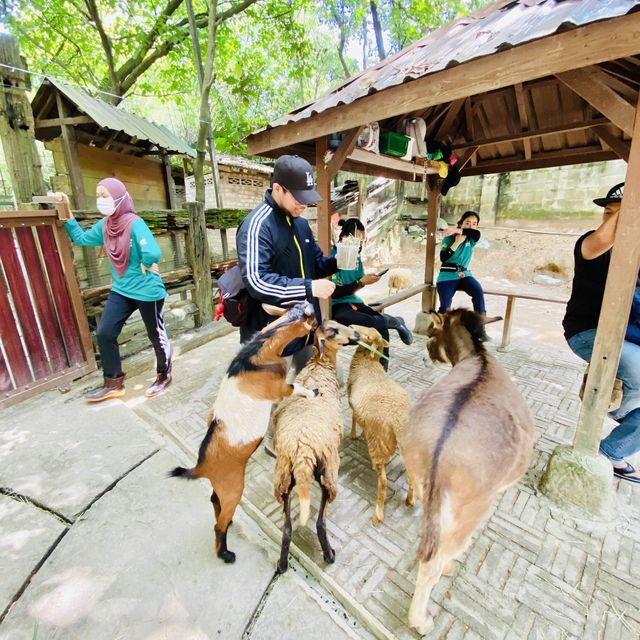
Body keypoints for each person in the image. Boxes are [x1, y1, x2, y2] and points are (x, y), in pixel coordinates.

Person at [236, 155, 338, 456]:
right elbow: (257, 281)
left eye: (308, 199)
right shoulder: (257, 225)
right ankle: (269, 438)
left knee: (303, 378)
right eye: (299, 198)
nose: (304, 205)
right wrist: (309, 288)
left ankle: (294, 426)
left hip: (303, 326)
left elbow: (318, 265)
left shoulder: (301, 225)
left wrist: (339, 259)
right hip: (270, 331)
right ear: (278, 189)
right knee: (268, 389)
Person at [57, 178, 171, 402]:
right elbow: (81, 238)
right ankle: (113, 382)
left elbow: (152, 252)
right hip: (122, 289)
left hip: (147, 289)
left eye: (105, 195)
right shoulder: (105, 226)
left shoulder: (135, 223)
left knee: (156, 334)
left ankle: (164, 375)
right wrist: (67, 211)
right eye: (98, 195)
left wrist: (146, 262)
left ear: (119, 197)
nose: (101, 200)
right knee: (105, 332)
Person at [563, 182, 640, 484]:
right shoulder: (590, 245)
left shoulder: (635, 256)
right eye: (608, 213)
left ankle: (614, 449)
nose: (610, 219)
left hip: (625, 337)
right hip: (586, 332)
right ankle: (614, 409)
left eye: (618, 214)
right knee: (636, 368)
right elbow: (605, 238)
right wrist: (628, 210)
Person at [330, 218, 412, 369]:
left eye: (361, 240)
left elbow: (353, 287)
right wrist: (361, 282)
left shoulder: (357, 259)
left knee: (380, 326)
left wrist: (367, 280)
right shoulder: (331, 257)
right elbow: (335, 293)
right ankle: (396, 322)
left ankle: (382, 369)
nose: (359, 244)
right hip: (336, 305)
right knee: (348, 317)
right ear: (343, 238)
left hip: (353, 301)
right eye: (356, 239)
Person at [436, 210, 486, 314]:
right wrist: (457, 242)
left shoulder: (471, 240)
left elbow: (476, 233)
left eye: (474, 224)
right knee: (445, 307)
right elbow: (443, 258)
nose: (471, 226)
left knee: (478, 291)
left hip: (464, 275)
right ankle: (441, 326)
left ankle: (480, 320)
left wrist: (457, 230)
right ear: (461, 224)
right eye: (467, 223)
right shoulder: (449, 239)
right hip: (447, 275)